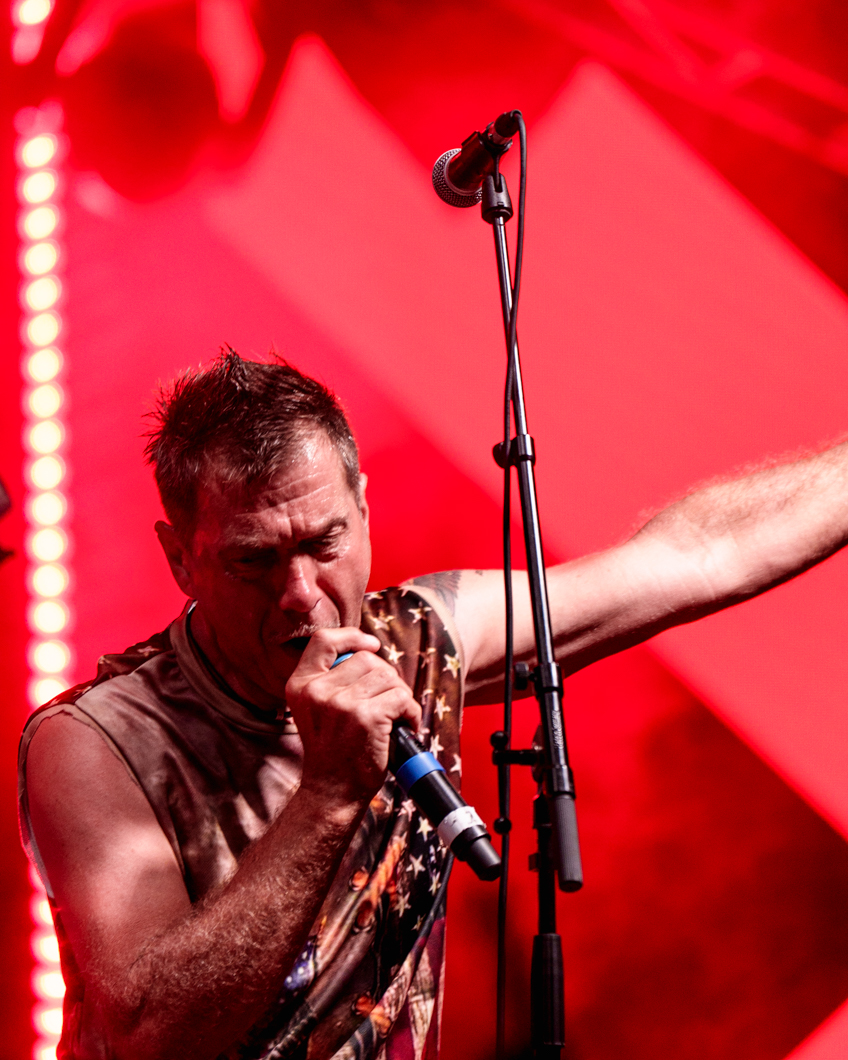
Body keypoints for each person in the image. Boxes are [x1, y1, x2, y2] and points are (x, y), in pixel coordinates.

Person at [18, 350, 848, 1060]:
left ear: (363, 506)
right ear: (180, 559)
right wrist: (329, 793)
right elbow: (151, 1033)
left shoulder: (419, 640)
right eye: (253, 561)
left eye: (325, 541)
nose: (301, 593)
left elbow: (699, 554)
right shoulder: (97, 741)